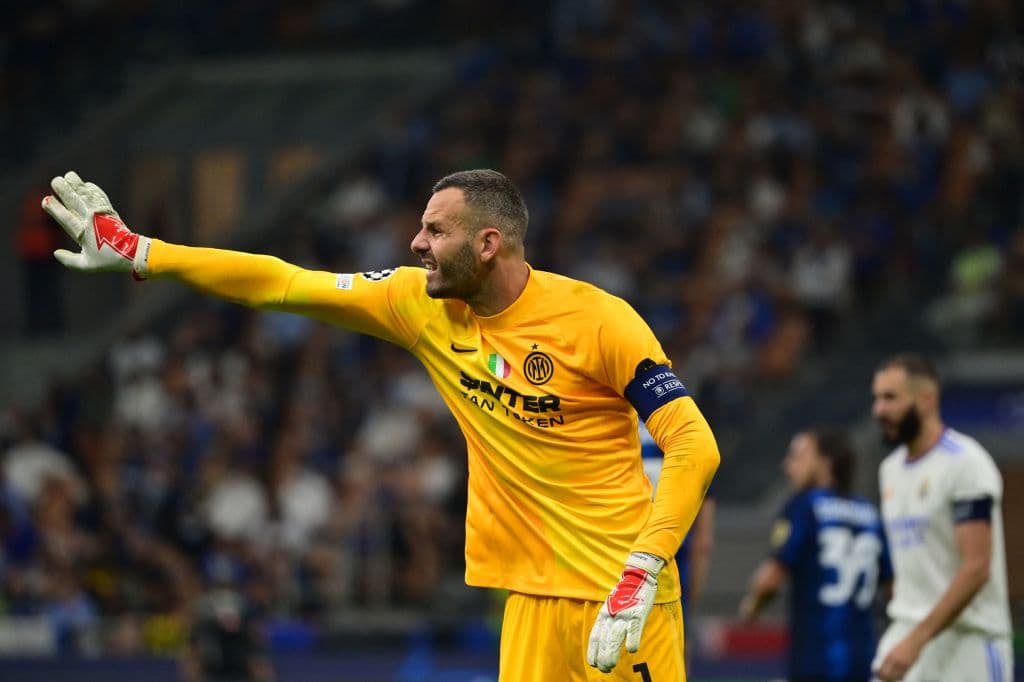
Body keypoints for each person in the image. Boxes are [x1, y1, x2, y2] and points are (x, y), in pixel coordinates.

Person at [42, 170, 720, 680]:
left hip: (624, 594)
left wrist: (642, 566)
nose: (416, 242)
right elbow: (284, 282)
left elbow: (695, 443)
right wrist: (143, 252)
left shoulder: (598, 320)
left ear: (488, 244)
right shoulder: (416, 305)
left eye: (435, 231)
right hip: (532, 601)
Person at [871, 354, 1013, 681]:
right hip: (907, 632)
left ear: (927, 400)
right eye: (876, 398)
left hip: (970, 639)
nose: (879, 410)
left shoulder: (965, 464)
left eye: (890, 398)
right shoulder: (889, 470)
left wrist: (917, 640)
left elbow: (976, 568)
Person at [738, 428, 890, 682]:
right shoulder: (869, 513)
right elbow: (892, 587)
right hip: (863, 659)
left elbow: (771, 577)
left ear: (824, 462)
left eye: (798, 456)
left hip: (817, 657)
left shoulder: (806, 505)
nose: (788, 466)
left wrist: (752, 606)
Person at [639, 423, 715, 668]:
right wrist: (689, 607)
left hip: (607, 573)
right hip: (668, 579)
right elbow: (703, 541)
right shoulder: (686, 428)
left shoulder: (605, 419)